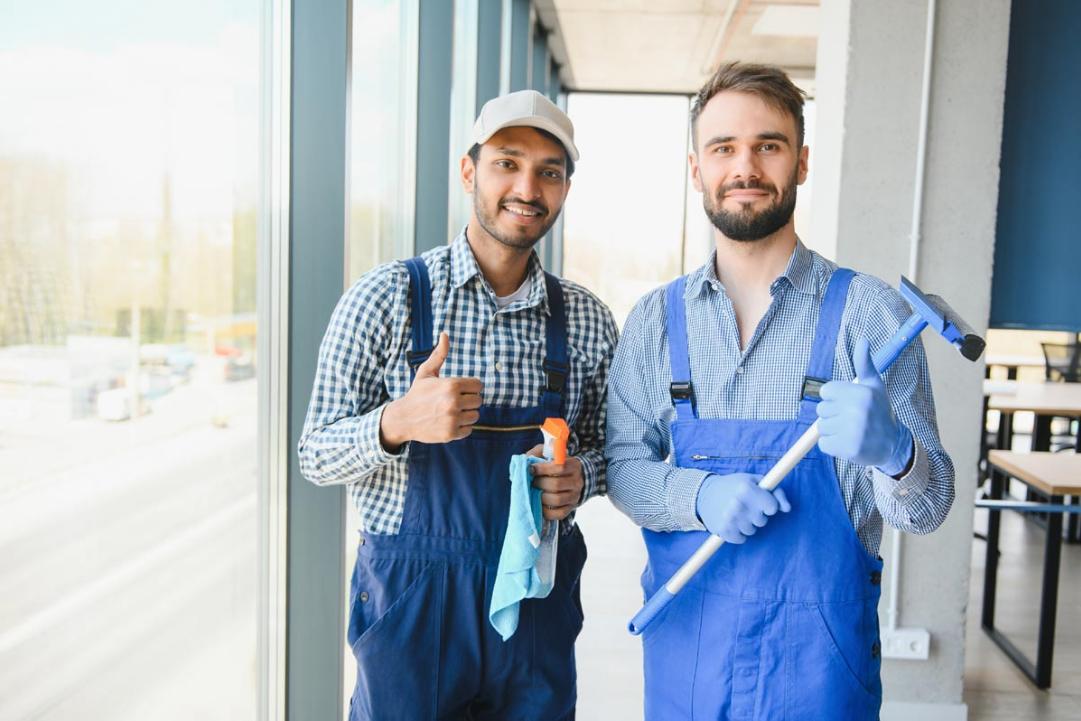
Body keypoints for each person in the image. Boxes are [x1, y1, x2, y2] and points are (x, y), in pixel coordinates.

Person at [606, 62, 955, 720]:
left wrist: (894, 454)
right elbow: (622, 470)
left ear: (800, 161)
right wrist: (698, 494)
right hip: (688, 663)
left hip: (820, 675)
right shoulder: (654, 321)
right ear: (695, 168)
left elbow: (929, 505)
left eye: (767, 145)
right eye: (723, 148)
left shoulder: (868, 314)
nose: (745, 166)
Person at [297, 89, 618, 720]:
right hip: (412, 609)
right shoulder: (386, 299)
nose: (527, 186)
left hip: (535, 607)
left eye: (548, 172)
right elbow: (314, 454)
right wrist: (396, 423)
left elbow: (625, 453)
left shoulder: (584, 320)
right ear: (469, 171)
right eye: (508, 162)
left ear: (563, 191)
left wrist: (584, 476)